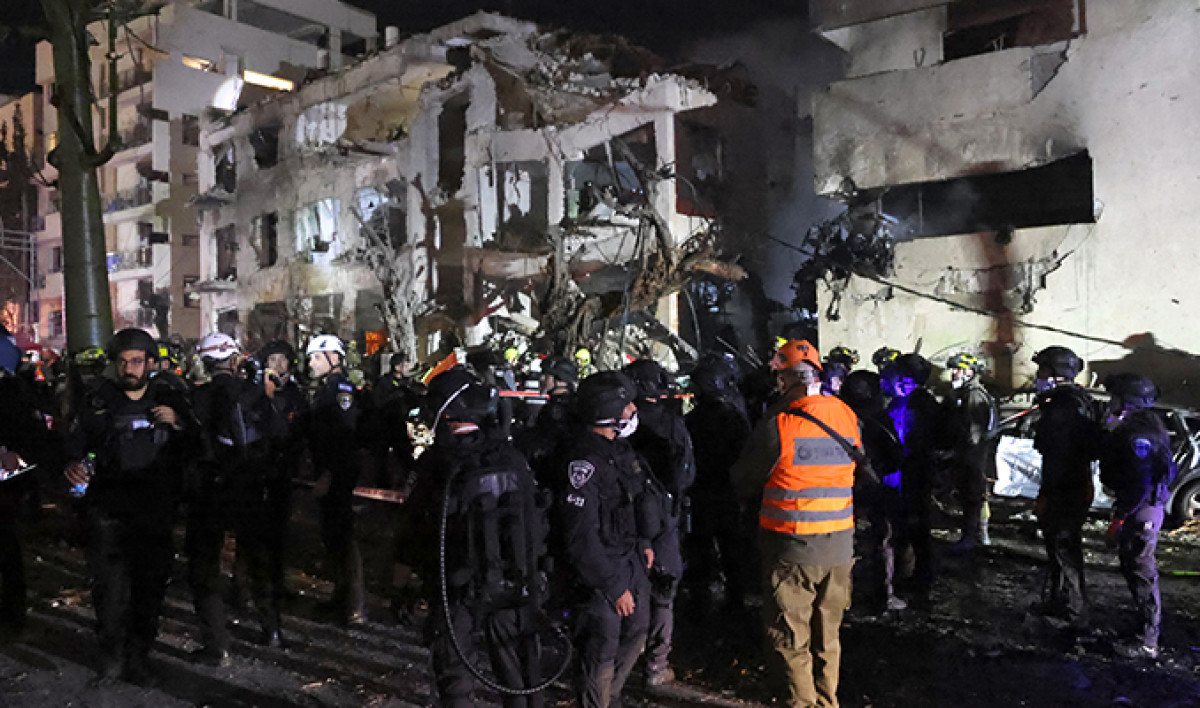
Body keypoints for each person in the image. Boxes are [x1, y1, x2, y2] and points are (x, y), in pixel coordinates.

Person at [396, 368, 550, 707]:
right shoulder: (512, 457)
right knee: (520, 674)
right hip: (512, 579)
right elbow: (536, 518)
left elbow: (414, 527)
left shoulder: (436, 463)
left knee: (455, 676)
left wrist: (403, 581)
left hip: (456, 585)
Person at [731, 338, 859, 708]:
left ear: (783, 380)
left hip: (793, 547)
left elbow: (743, 480)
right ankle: (827, 701)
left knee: (789, 635)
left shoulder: (779, 426)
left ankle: (801, 703)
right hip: (840, 546)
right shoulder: (846, 415)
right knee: (828, 635)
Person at [64, 328, 195, 685]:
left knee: (148, 592)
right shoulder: (98, 401)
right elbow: (74, 444)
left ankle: (138, 657)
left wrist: (178, 424)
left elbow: (199, 448)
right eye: (122, 362)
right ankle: (112, 657)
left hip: (153, 512)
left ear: (151, 362)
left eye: (136, 361)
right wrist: (71, 464)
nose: (129, 368)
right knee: (109, 593)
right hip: (109, 512)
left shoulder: (169, 397)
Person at [187, 332, 287, 663]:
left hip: (209, 490)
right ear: (234, 360)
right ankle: (271, 629)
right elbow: (278, 435)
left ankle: (217, 645)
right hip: (249, 486)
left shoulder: (196, 398)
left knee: (205, 566)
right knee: (257, 558)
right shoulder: (255, 393)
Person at [559, 371, 653, 708]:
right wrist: (612, 585)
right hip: (601, 567)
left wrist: (644, 541)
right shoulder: (584, 461)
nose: (633, 410)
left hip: (629, 558)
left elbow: (633, 501)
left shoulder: (619, 449)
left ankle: (608, 697)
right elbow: (580, 536)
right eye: (626, 404)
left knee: (639, 629)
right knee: (602, 645)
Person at [622, 359, 695, 687]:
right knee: (663, 591)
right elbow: (686, 475)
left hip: (627, 518)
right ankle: (656, 664)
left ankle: (624, 662)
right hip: (665, 516)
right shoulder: (672, 424)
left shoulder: (623, 422)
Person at [1099, 373, 1174, 659]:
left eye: (1115, 398)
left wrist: (1119, 518)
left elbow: (1140, 482)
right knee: (1133, 567)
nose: (1111, 403)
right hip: (1142, 507)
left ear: (1127, 401)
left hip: (1141, 509)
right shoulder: (1144, 427)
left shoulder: (1138, 434)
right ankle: (1143, 631)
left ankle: (1147, 641)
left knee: (1142, 571)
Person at [1030, 345, 1102, 629]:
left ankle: (1074, 612)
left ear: (1056, 373)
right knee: (1060, 548)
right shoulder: (1078, 401)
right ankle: (1059, 602)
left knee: (1064, 548)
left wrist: (1045, 495)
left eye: (1042, 370)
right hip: (1074, 485)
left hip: (1065, 489)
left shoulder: (1063, 408)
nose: (1038, 375)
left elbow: (1058, 458)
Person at [683, 353, 753, 614]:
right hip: (727, 492)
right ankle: (735, 599)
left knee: (700, 547)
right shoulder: (734, 418)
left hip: (701, 492)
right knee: (731, 547)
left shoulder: (692, 421)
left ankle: (701, 600)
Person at [306, 334, 367, 625]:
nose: (311, 363)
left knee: (343, 535)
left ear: (333, 358)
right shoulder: (327, 389)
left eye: (316, 357)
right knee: (332, 535)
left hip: (338, 472)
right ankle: (341, 596)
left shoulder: (340, 390)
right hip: (330, 470)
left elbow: (344, 436)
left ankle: (354, 605)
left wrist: (329, 474)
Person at [0, 344, 58, 638]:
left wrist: (10, 455)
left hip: (6, 484)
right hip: (11, 484)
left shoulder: (12, 394)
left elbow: (29, 440)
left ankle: (11, 616)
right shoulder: (18, 392)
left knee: (6, 547)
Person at [840, 369, 906, 613]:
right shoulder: (880, 420)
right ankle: (881, 597)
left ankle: (843, 598)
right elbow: (895, 455)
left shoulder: (835, 418)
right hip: (874, 490)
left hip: (840, 491)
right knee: (881, 543)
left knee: (846, 545)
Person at [883, 353, 942, 596]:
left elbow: (915, 441)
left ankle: (921, 578)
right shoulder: (908, 401)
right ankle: (912, 572)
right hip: (910, 472)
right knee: (909, 525)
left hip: (914, 473)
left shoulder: (919, 404)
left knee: (917, 526)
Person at [944, 353, 998, 552]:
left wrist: (960, 454)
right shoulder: (966, 393)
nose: (953, 373)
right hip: (975, 454)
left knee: (972, 496)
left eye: (958, 369)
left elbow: (973, 431)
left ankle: (971, 538)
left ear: (970, 372)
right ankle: (979, 536)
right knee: (975, 495)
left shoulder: (973, 395)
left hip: (974, 456)